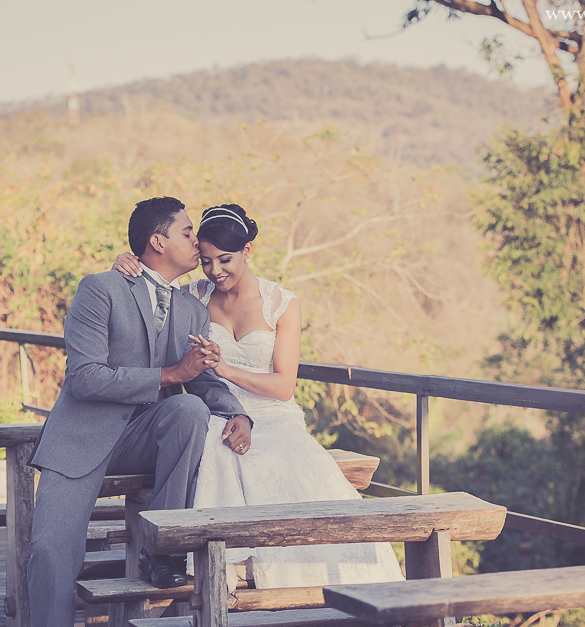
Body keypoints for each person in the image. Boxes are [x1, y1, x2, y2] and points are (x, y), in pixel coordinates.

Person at [13, 196, 253, 627]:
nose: (199, 242)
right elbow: (85, 379)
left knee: (192, 409)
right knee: (51, 556)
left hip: (147, 436)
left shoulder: (194, 306)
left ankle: (159, 546)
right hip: (83, 438)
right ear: (157, 243)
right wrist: (172, 373)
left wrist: (235, 408)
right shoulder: (100, 288)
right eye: (189, 233)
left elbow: (200, 377)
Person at [112, 203, 403, 590]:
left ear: (248, 251)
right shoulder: (191, 297)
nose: (216, 271)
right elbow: (153, 280)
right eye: (208, 261)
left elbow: (284, 387)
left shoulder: (282, 303)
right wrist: (125, 263)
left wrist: (225, 368)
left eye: (226, 260)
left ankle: (318, 578)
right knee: (218, 450)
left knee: (290, 465)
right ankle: (218, 571)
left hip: (273, 413)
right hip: (215, 411)